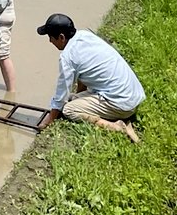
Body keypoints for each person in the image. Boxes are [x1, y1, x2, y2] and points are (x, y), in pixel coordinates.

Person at [36, 13, 144, 142]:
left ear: (61, 37)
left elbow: (61, 95)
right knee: (71, 98)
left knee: (68, 109)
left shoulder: (67, 57)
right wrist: (78, 97)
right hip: (133, 96)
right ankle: (116, 116)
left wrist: (49, 120)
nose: (50, 41)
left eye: (51, 37)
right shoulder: (85, 36)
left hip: (122, 105)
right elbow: (82, 73)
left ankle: (116, 127)